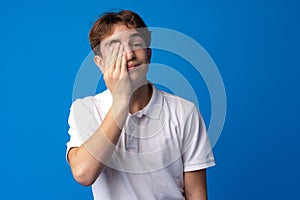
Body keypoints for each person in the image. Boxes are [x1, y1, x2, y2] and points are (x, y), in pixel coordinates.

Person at [66, 10, 215, 200]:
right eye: (116, 48)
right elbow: (83, 174)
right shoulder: (85, 109)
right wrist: (121, 101)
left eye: (135, 44)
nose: (128, 54)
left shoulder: (185, 112)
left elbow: (197, 194)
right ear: (101, 64)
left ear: (148, 54)